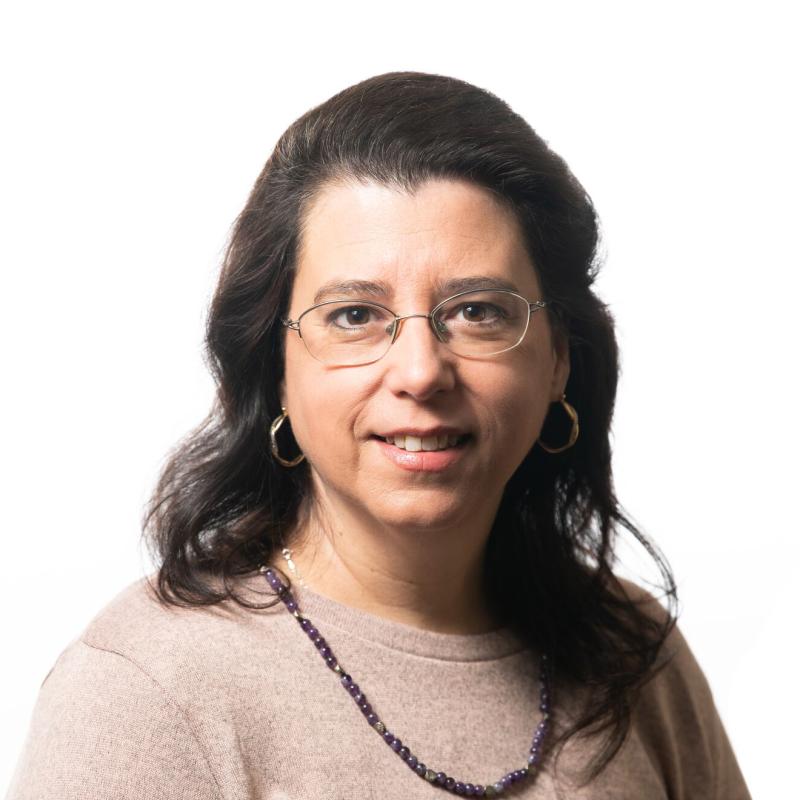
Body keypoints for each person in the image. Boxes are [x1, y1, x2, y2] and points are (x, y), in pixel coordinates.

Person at [6, 72, 750, 799]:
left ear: (557, 357)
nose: (421, 372)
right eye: (355, 315)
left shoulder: (632, 653)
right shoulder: (144, 695)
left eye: (478, 311)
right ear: (277, 366)